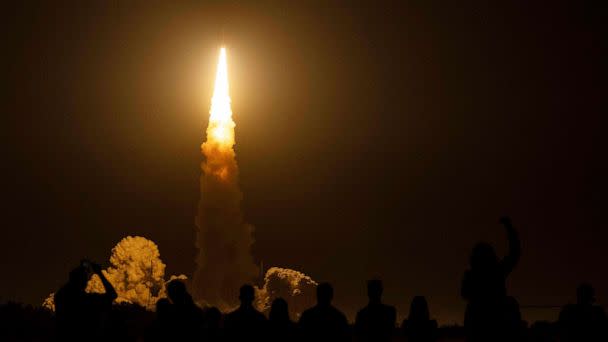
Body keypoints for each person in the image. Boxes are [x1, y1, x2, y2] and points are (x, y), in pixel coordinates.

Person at [461, 217, 522, 342]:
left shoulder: (470, 275)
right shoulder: (497, 271)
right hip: (495, 326)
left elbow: (464, 294)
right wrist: (509, 229)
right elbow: (514, 253)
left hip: (478, 328)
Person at [54, 260, 117, 341]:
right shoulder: (88, 300)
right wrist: (99, 273)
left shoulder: (60, 298)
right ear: (84, 282)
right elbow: (112, 294)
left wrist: (78, 271)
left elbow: (65, 290)